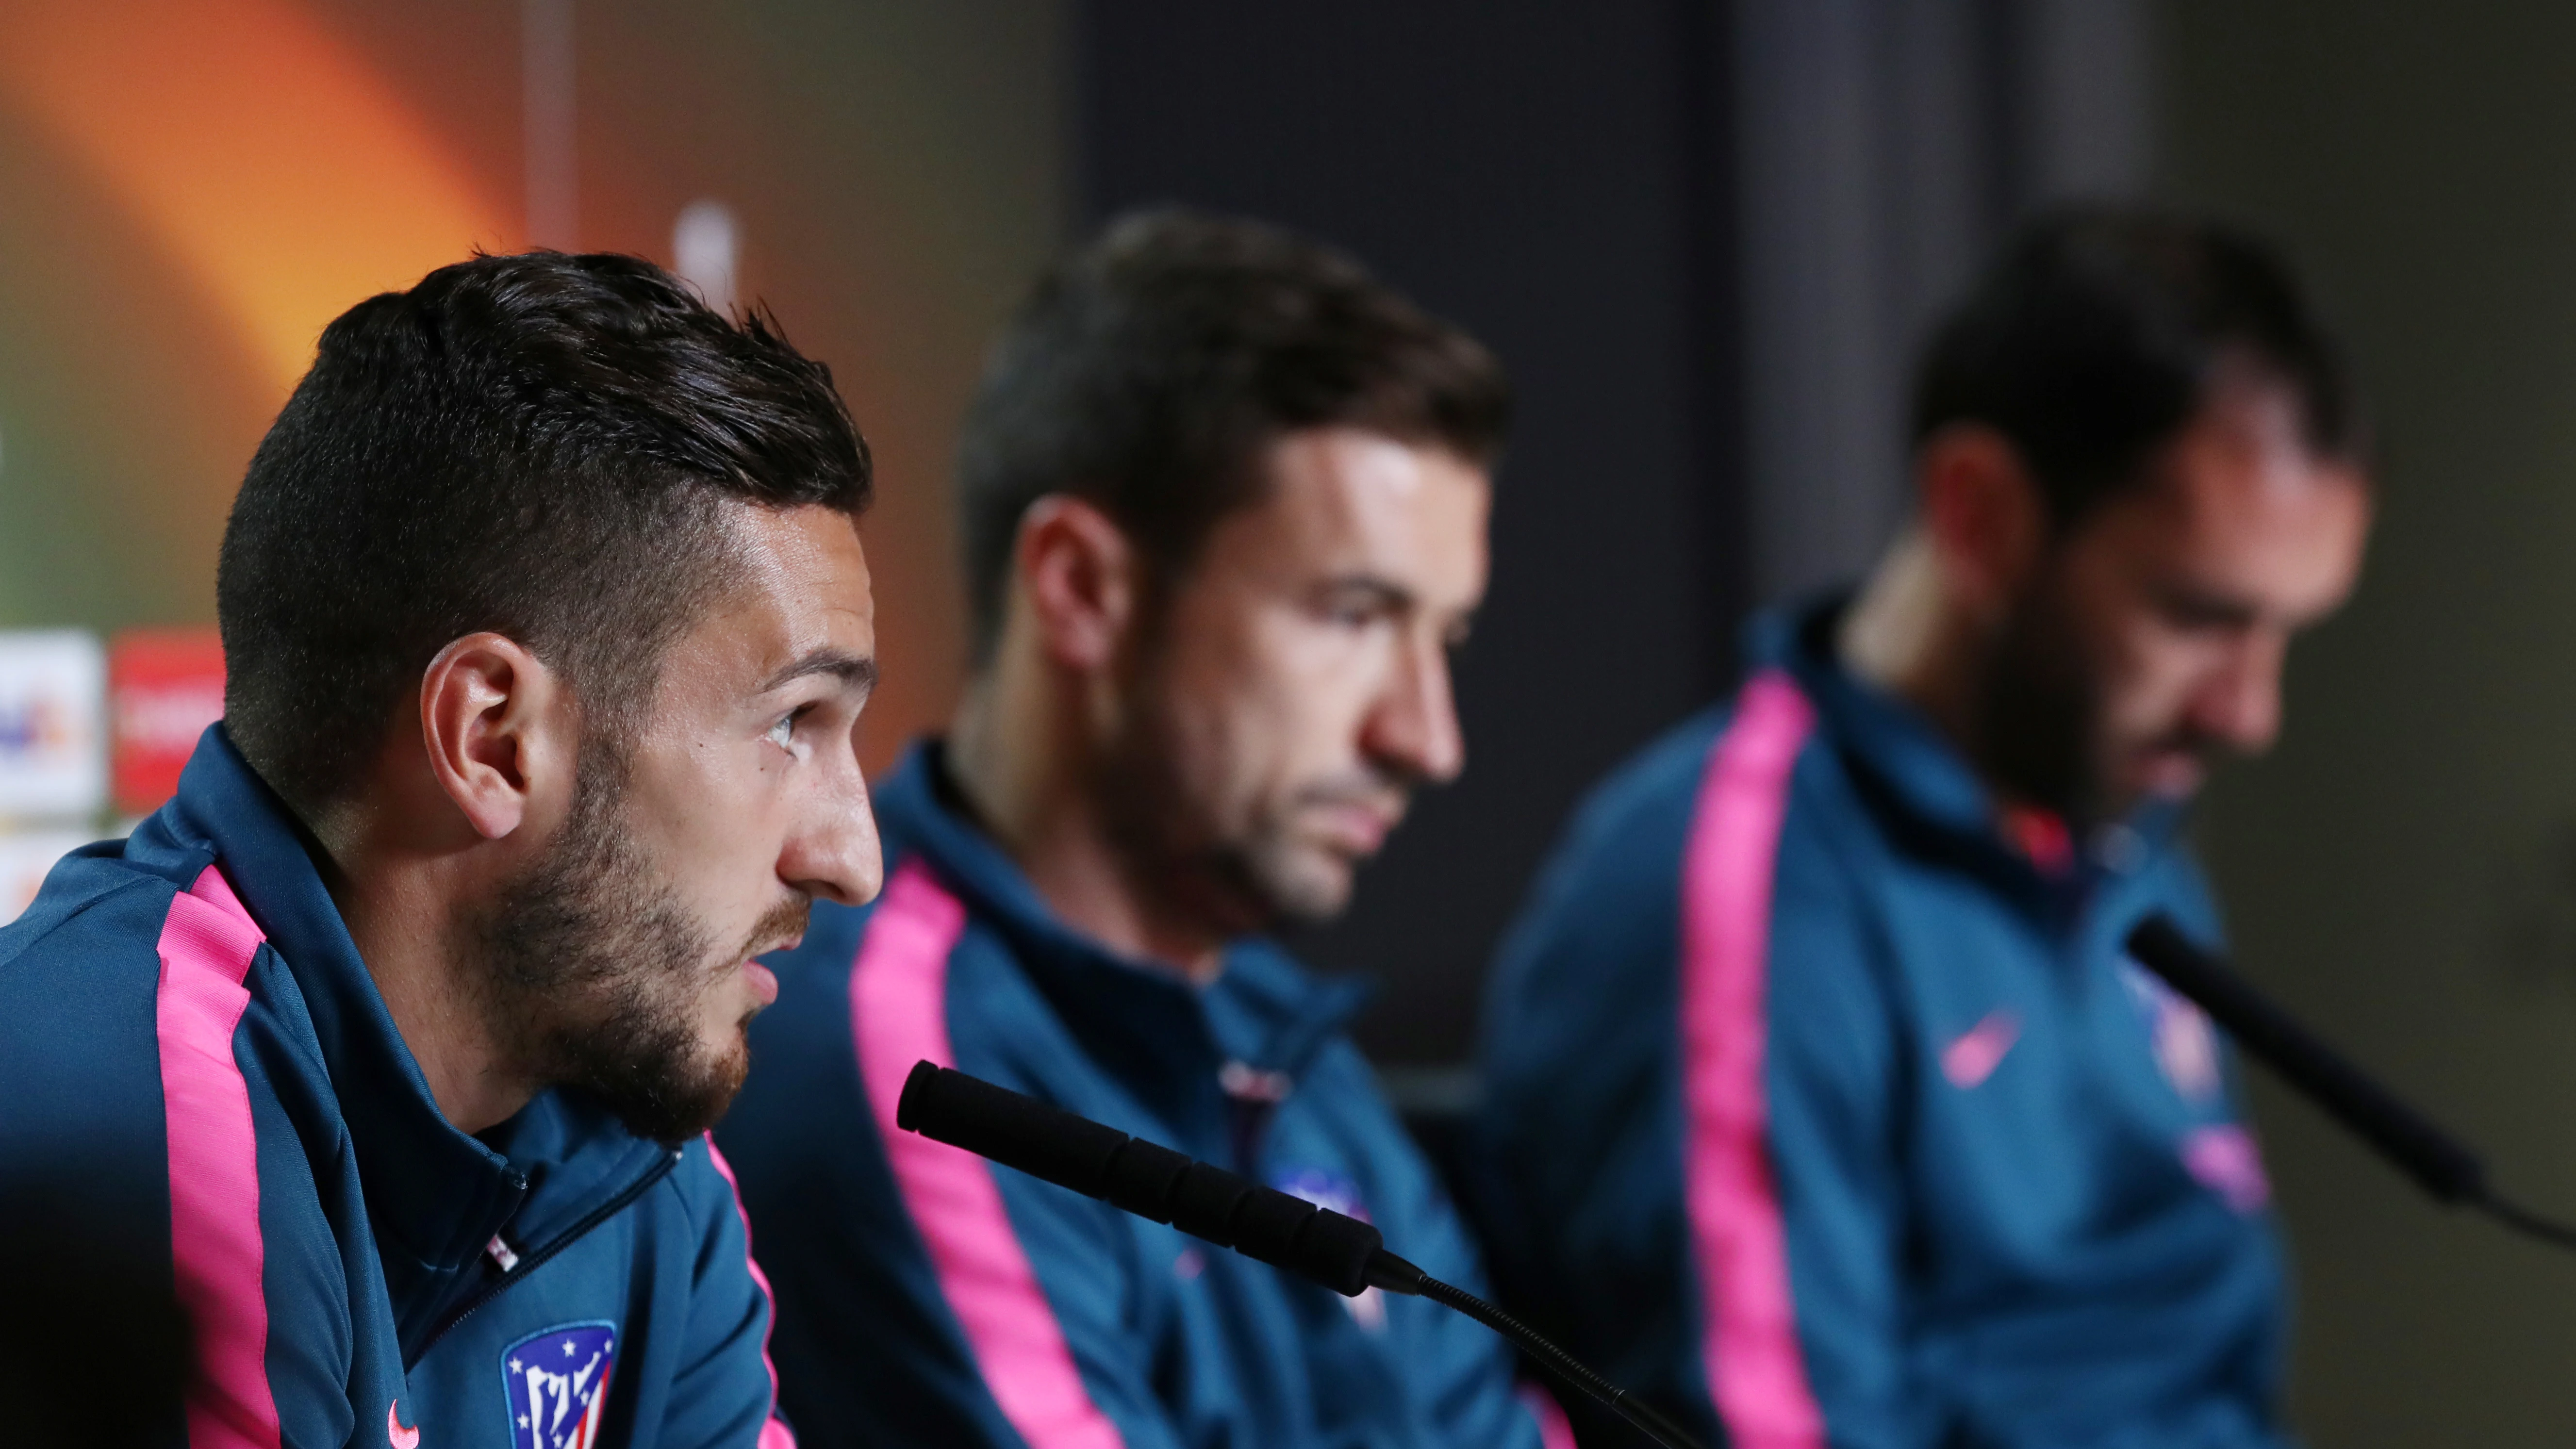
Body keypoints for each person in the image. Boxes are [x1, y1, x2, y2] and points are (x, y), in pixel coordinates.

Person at [1471, 208, 2374, 1449]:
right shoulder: (1741, 889)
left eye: (2285, 634)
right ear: (1979, 513)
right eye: (2197, 617)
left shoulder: (2116, 822)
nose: (2248, 712)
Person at [0, 251, 884, 1448]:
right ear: (492, 738)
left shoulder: (629, 1142)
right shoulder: (121, 1109)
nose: (850, 857)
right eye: (792, 724)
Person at [716, 210, 1556, 1449]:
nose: (1425, 737)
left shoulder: (1281, 1039)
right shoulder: (916, 1068)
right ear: (1081, 588)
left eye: (1446, 638)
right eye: (1354, 614)